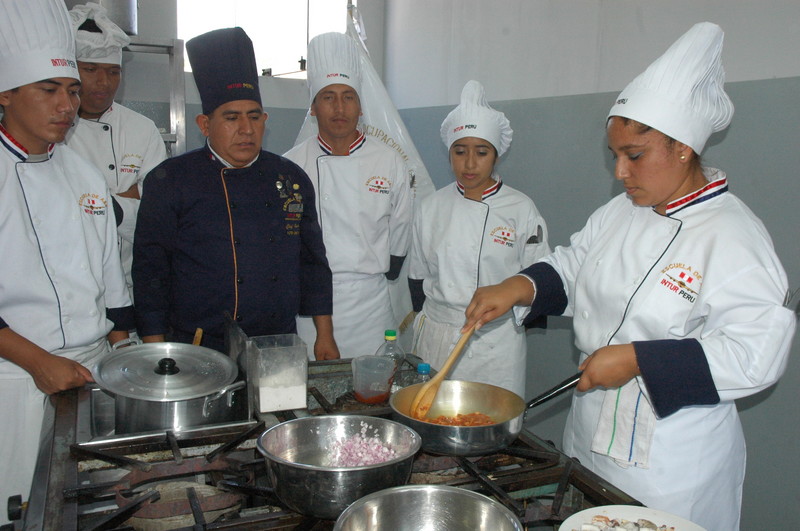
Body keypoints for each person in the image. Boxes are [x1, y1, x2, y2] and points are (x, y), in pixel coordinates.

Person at [463, 23, 795, 531]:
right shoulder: (622, 212)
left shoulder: (733, 236)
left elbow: (757, 355)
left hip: (669, 461)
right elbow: (575, 264)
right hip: (588, 432)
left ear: (682, 148)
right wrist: (520, 287)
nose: (619, 172)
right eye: (615, 154)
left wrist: (640, 359)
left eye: (633, 156)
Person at [0, 0, 133, 522]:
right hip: (15, 377)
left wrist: (128, 356)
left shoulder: (82, 176)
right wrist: (39, 363)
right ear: (6, 94)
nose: (67, 105)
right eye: (49, 90)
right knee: (21, 507)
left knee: (92, 505)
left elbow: (110, 281)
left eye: (72, 90)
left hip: (91, 370)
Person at [133, 27, 337, 359]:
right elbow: (150, 271)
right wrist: (157, 350)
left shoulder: (289, 178)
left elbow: (312, 263)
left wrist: (324, 335)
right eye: (231, 118)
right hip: (197, 346)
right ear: (204, 124)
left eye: (254, 117)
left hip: (277, 342)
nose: (246, 129)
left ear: (265, 121)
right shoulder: (170, 181)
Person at [407, 80, 550, 397]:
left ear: (497, 155)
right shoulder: (431, 207)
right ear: (449, 153)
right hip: (436, 340)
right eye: (460, 151)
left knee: (490, 428)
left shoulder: (521, 209)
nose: (470, 163)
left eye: (481, 152)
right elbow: (417, 279)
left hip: (494, 347)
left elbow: (539, 280)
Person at [284, 32, 413, 359]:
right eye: (328, 97)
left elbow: (401, 230)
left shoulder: (389, 161)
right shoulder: (290, 165)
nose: (339, 108)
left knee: (374, 397)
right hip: (309, 308)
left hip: (370, 304)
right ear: (313, 107)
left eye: (348, 97)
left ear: (360, 105)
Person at [65, 2, 167, 297]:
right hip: (73, 285)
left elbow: (158, 217)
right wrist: (126, 200)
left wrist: (93, 204)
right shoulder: (54, 131)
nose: (104, 82)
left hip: (132, 281)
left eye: (113, 72)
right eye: (90, 70)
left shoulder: (141, 129)